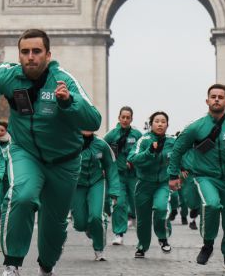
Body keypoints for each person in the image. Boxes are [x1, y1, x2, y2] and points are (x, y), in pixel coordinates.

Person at [0, 28, 101, 276]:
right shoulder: (8, 76)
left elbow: (94, 120)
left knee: (54, 225)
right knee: (21, 196)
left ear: (48, 54)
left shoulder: (63, 81)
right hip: (26, 152)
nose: (30, 57)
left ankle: (47, 272)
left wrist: (69, 103)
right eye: (25, 52)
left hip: (65, 162)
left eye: (36, 52)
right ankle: (11, 265)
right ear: (18, 54)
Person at [168, 84, 225, 272]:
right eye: (213, 96)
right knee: (211, 204)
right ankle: (208, 243)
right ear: (207, 101)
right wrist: (173, 175)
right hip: (205, 177)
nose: (216, 99)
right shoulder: (196, 127)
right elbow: (177, 149)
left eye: (220, 97)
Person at [128, 111, 175, 258]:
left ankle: (163, 237)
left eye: (163, 121)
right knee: (143, 219)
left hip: (163, 184)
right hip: (144, 184)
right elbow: (133, 158)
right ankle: (142, 246)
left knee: (161, 209)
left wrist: (183, 169)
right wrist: (150, 151)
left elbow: (181, 156)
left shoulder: (172, 142)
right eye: (157, 121)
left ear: (167, 125)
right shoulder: (144, 140)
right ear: (151, 124)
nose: (160, 124)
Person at [71, 130, 119, 261]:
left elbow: (111, 166)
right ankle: (90, 227)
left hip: (96, 182)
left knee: (96, 217)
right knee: (80, 224)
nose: (87, 127)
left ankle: (99, 249)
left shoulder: (101, 145)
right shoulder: (69, 142)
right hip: (77, 184)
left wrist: (114, 190)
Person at [103, 106, 142, 246]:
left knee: (137, 202)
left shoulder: (137, 135)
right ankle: (118, 233)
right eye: (123, 117)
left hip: (134, 175)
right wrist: (104, 168)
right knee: (119, 203)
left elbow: (143, 151)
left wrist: (134, 162)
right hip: (117, 176)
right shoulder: (111, 135)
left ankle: (140, 227)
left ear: (131, 119)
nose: (125, 120)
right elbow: (102, 150)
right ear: (119, 118)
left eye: (128, 117)